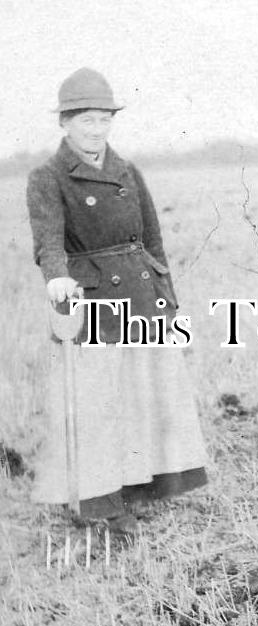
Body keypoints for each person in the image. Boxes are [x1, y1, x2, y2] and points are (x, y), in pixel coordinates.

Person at [25, 68, 209, 538]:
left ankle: (140, 487)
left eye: (104, 119)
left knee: (142, 395)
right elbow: (48, 242)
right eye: (86, 120)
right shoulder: (48, 178)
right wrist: (57, 279)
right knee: (98, 403)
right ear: (65, 123)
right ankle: (101, 501)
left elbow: (153, 240)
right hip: (92, 300)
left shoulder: (128, 171)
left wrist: (168, 301)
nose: (96, 129)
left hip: (142, 291)